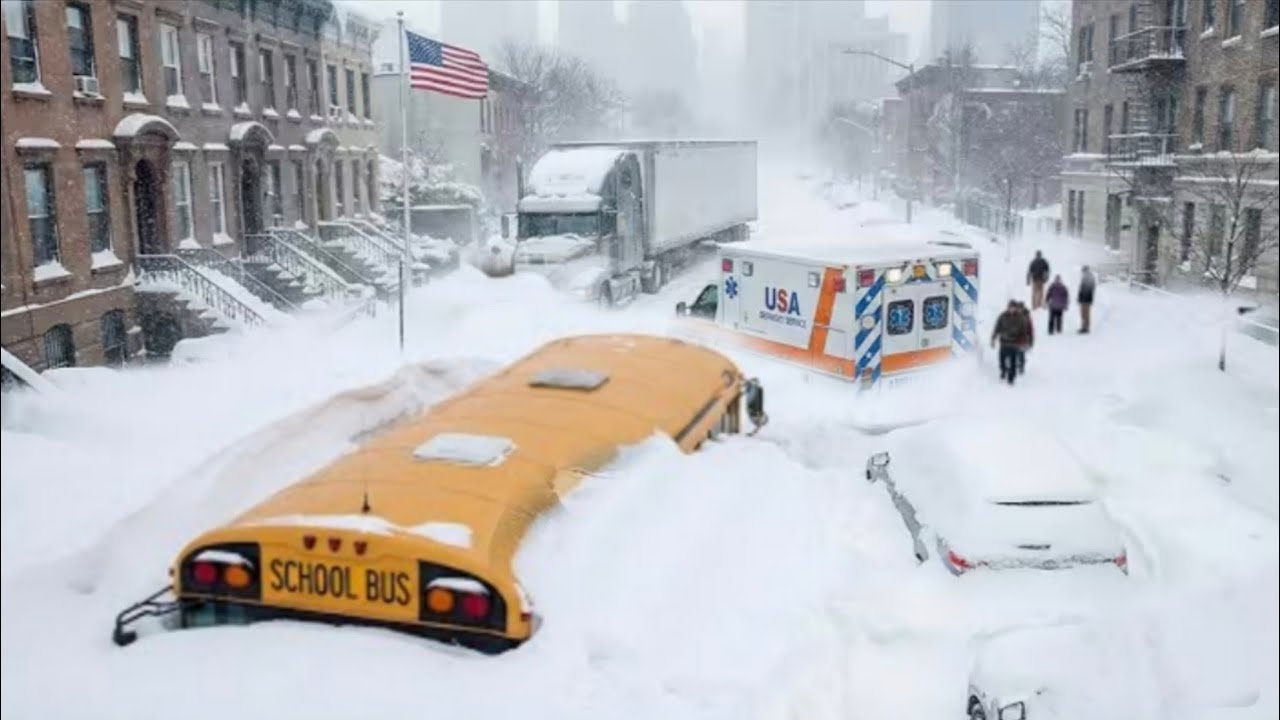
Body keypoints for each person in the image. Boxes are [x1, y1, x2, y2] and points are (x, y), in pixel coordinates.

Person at [991, 300, 1026, 385]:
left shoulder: (1020, 318)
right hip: (1004, 342)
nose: (1012, 309)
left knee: (1013, 360)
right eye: (1010, 307)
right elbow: (997, 327)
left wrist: (1023, 341)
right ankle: (1003, 370)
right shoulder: (1002, 316)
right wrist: (993, 338)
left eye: (1013, 308)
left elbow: (1023, 330)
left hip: (1015, 342)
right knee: (1002, 358)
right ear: (1008, 308)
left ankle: (1011, 377)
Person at [1014, 301, 1034, 375]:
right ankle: (1015, 366)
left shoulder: (1027, 317)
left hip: (1024, 339)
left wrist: (1031, 340)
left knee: (1021, 353)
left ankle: (1021, 367)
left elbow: (1030, 329)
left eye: (1020, 308)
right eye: (1018, 308)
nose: (1019, 310)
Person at [1077, 265, 1097, 334]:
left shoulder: (1088, 276)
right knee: (1084, 314)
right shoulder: (1088, 276)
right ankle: (1085, 327)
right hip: (1087, 298)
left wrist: (1082, 297)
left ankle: (1085, 328)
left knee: (1085, 314)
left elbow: (1086, 288)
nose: (1082, 272)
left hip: (1086, 298)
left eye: (1082, 270)